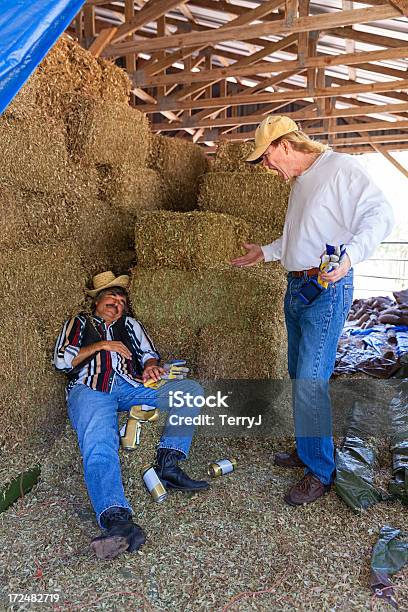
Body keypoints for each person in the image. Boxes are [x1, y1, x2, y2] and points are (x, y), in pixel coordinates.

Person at [231, 115, 395, 506]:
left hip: (327, 288)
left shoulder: (340, 168)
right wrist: (267, 253)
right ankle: (308, 450)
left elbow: (381, 215)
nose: (267, 167)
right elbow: (298, 237)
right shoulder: (302, 184)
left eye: (267, 158)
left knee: (309, 380)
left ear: (284, 145)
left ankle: (321, 471)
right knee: (297, 374)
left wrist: (351, 256)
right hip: (298, 287)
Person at [54, 271, 209, 560]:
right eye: (112, 297)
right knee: (100, 444)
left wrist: (151, 366)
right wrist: (102, 345)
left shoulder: (131, 325)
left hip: (130, 386)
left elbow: (149, 354)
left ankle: (169, 463)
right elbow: (62, 360)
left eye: (122, 300)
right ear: (96, 301)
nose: (118, 303)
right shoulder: (80, 322)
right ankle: (116, 520)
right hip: (91, 388)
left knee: (190, 389)